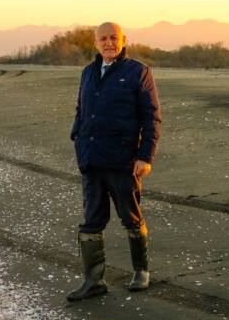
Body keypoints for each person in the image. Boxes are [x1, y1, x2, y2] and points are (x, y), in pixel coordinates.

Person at [68, 21, 161, 301]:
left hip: (123, 161)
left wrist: (145, 156)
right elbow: (81, 109)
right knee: (91, 222)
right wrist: (78, 137)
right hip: (91, 160)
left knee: (130, 217)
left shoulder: (138, 72)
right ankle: (93, 281)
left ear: (123, 40)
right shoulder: (88, 72)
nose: (108, 43)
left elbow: (152, 118)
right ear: (95, 42)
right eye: (103, 39)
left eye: (113, 38)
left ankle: (141, 271)